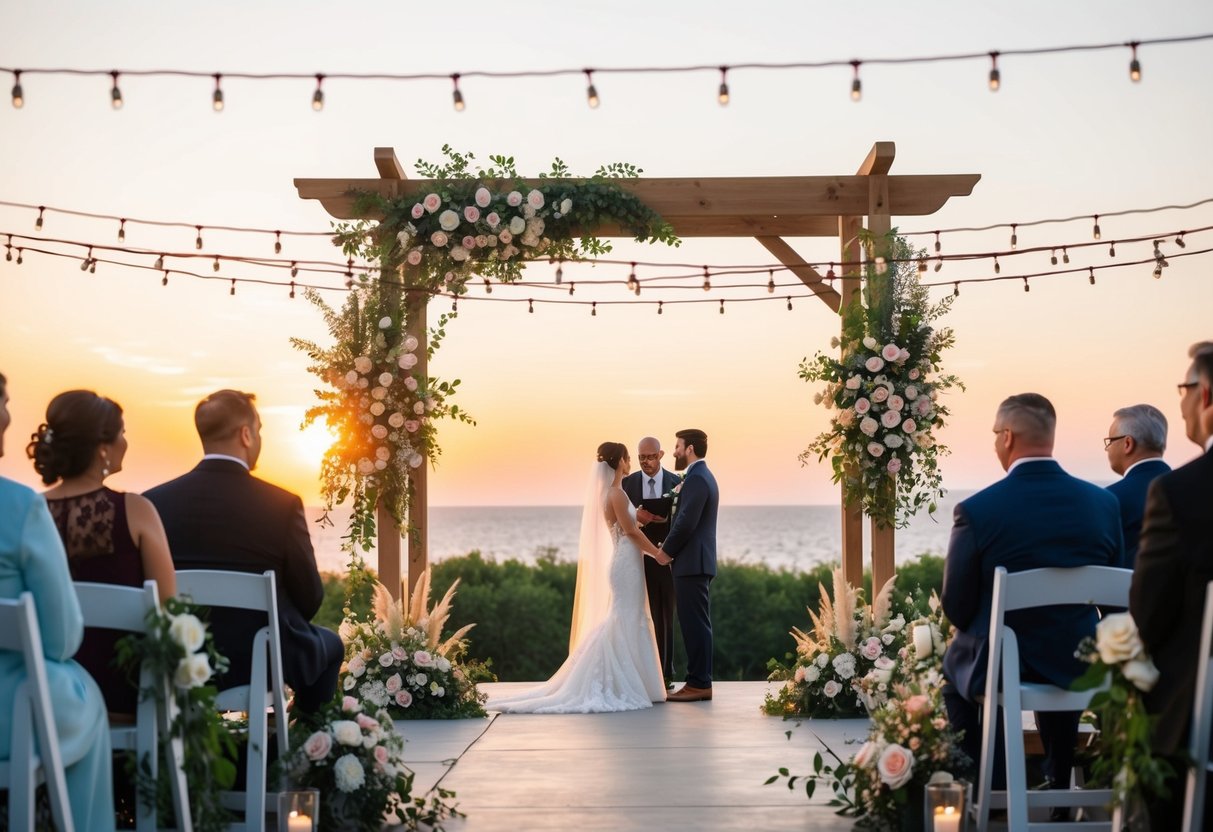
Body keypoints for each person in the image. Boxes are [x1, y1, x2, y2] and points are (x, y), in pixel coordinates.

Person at [941, 393, 1122, 815]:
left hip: (1007, 666)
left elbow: (956, 605)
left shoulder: (977, 510)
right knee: (1062, 645)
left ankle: (993, 795)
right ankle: (1060, 784)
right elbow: (1116, 600)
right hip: (1081, 664)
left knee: (957, 672)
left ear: (1007, 437)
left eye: (994, 436)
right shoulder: (1103, 504)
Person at [144, 389, 342, 715]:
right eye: (260, 429)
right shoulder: (281, 504)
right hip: (260, 661)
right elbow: (310, 597)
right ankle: (302, 749)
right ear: (246, 434)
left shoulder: (154, 503)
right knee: (330, 644)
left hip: (180, 658)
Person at [0, 372, 117, 831]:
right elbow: (62, 637)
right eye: (4, 400)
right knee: (81, 694)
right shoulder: (18, 507)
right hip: (11, 709)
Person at [27, 390, 177, 719]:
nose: (126, 442)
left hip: (44, 696)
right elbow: (170, 611)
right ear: (102, 448)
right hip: (124, 698)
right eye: (122, 433)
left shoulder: (28, 513)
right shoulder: (136, 511)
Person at [493, 442, 666, 713]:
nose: (630, 461)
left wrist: (639, 521)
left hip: (625, 562)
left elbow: (627, 527)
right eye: (628, 457)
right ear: (619, 461)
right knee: (624, 618)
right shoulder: (617, 495)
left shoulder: (610, 494)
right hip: (626, 564)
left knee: (627, 617)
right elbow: (630, 533)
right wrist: (657, 553)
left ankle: (636, 681)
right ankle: (623, 682)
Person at [1130, 342, 1213, 832]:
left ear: (1205, 395)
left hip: (1198, 720)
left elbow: (1148, 619)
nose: (1179, 402)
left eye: (1183, 389)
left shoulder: (1183, 492)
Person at [658, 428, 719, 703]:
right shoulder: (700, 476)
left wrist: (666, 552)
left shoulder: (696, 479)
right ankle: (698, 680)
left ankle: (699, 683)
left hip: (692, 563)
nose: (674, 452)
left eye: (677, 446)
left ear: (690, 448)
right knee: (696, 623)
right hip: (696, 562)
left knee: (695, 625)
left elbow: (686, 522)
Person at [622, 435, 680, 686]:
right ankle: (639, 674)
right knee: (638, 615)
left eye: (651, 457)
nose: (646, 462)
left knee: (666, 615)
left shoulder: (677, 482)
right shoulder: (627, 484)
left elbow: (681, 522)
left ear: (661, 455)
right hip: (637, 558)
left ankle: (665, 673)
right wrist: (638, 518)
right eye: (641, 457)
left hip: (667, 559)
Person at [1103, 403, 1170, 568]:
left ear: (1127, 444)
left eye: (1110, 441)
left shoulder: (1110, 500)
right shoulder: (1188, 488)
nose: (1107, 449)